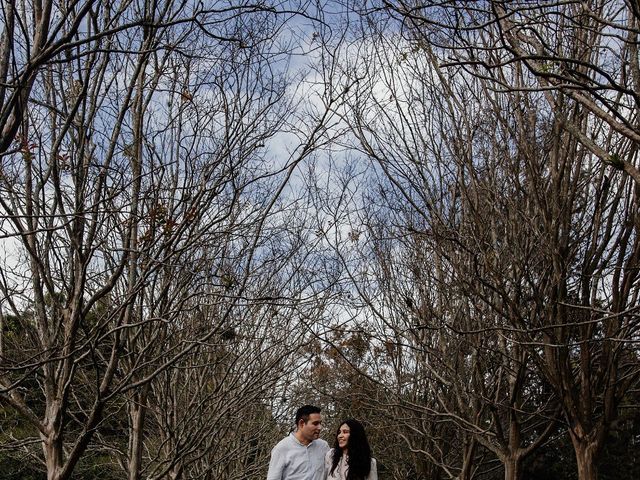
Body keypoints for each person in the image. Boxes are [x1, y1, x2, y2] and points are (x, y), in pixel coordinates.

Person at [267, 404, 330, 480]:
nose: (320, 427)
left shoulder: (323, 446)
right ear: (301, 423)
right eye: (315, 423)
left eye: (320, 423)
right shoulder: (281, 449)